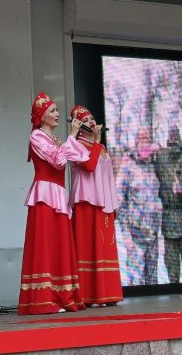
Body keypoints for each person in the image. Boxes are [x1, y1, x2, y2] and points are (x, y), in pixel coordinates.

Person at [19, 93, 88, 315]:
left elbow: (83, 157)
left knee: (59, 244)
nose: (58, 114)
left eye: (57, 110)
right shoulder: (37, 137)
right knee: (45, 245)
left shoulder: (54, 139)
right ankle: (44, 299)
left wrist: (79, 137)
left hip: (57, 194)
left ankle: (61, 296)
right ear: (42, 116)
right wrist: (71, 136)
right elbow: (58, 161)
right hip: (44, 195)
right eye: (53, 111)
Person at [69, 105, 123, 307]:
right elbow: (90, 166)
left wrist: (113, 202)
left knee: (105, 247)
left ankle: (108, 294)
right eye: (86, 120)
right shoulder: (75, 145)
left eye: (92, 118)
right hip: (86, 203)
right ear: (79, 125)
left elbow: (109, 178)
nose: (92, 122)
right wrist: (98, 143)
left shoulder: (100, 148)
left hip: (104, 204)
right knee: (88, 247)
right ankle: (89, 295)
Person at [116, 127, 163, 285]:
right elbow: (119, 202)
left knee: (153, 283)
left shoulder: (153, 165)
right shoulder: (127, 166)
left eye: (147, 142)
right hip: (135, 237)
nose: (145, 146)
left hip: (153, 237)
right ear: (136, 144)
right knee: (137, 285)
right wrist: (126, 236)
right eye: (141, 142)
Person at [155, 126, 182, 283]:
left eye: (175, 137)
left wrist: (181, 188)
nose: (172, 139)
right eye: (170, 137)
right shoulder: (160, 157)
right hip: (168, 224)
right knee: (173, 273)